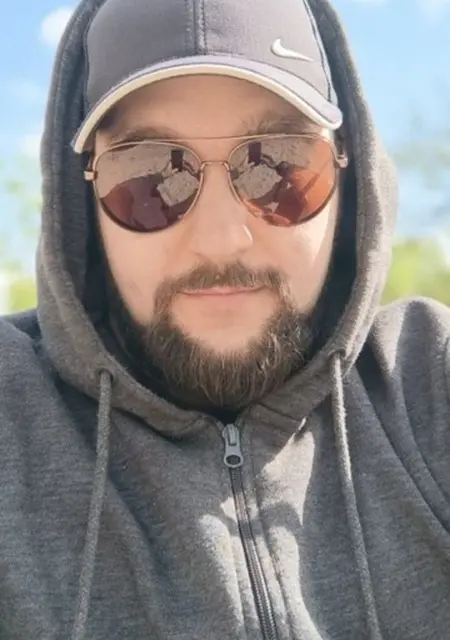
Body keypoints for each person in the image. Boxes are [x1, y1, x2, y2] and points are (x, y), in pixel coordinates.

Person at [1, 0, 450, 638]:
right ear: (83, 197)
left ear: (348, 174)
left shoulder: (426, 378)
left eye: (280, 165)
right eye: (147, 172)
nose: (221, 240)